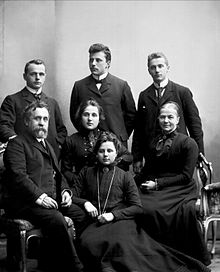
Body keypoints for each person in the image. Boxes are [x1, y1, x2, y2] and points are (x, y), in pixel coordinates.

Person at [72, 131, 210, 272]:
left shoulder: (124, 176)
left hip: (119, 221)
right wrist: (85, 203)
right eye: (101, 151)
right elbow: (73, 195)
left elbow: (137, 207)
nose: (106, 154)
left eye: (109, 150)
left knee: (121, 245)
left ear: (116, 153)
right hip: (95, 222)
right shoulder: (86, 172)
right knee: (87, 243)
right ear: (96, 153)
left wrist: (113, 215)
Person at [2, 101, 84, 272]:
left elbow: (57, 175)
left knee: (81, 214)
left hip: (50, 199)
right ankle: (74, 266)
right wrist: (40, 197)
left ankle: (52, 263)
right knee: (56, 219)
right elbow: (19, 177)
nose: (42, 122)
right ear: (26, 121)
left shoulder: (48, 145)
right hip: (24, 203)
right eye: (37, 118)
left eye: (45, 119)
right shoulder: (17, 143)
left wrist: (65, 192)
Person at [135, 101, 210, 266]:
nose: (166, 121)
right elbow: (148, 169)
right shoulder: (154, 141)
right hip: (156, 185)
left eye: (170, 117)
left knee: (157, 210)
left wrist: (157, 184)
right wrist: (129, 183)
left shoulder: (189, 143)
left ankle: (170, 253)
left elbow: (185, 176)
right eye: (162, 117)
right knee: (138, 206)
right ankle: (149, 253)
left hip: (180, 188)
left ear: (178, 120)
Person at [132, 52, 204, 174]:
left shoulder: (182, 92)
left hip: (178, 153)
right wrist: (137, 157)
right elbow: (139, 130)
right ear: (149, 70)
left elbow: (195, 126)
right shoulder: (144, 95)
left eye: (160, 66)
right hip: (152, 156)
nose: (157, 70)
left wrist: (199, 155)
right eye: (153, 67)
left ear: (167, 68)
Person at [69, 43, 136, 148]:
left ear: (108, 63)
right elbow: (75, 115)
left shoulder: (121, 85)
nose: (93, 64)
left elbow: (131, 116)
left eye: (98, 60)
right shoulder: (79, 86)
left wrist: (120, 134)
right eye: (91, 60)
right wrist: (87, 135)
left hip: (117, 145)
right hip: (88, 145)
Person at [0, 59, 67, 159]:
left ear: (45, 77)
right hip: (24, 156)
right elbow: (4, 126)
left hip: (49, 156)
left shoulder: (52, 103)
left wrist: (56, 145)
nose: (37, 78)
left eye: (41, 74)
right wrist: (18, 143)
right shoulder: (13, 100)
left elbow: (61, 130)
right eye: (33, 74)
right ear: (25, 76)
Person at [61, 98, 133, 187]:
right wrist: (80, 181)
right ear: (80, 117)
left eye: (94, 115)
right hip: (82, 188)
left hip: (107, 186)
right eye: (86, 115)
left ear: (99, 119)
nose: (90, 119)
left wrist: (116, 161)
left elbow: (129, 157)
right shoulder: (71, 141)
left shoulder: (108, 137)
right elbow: (65, 171)